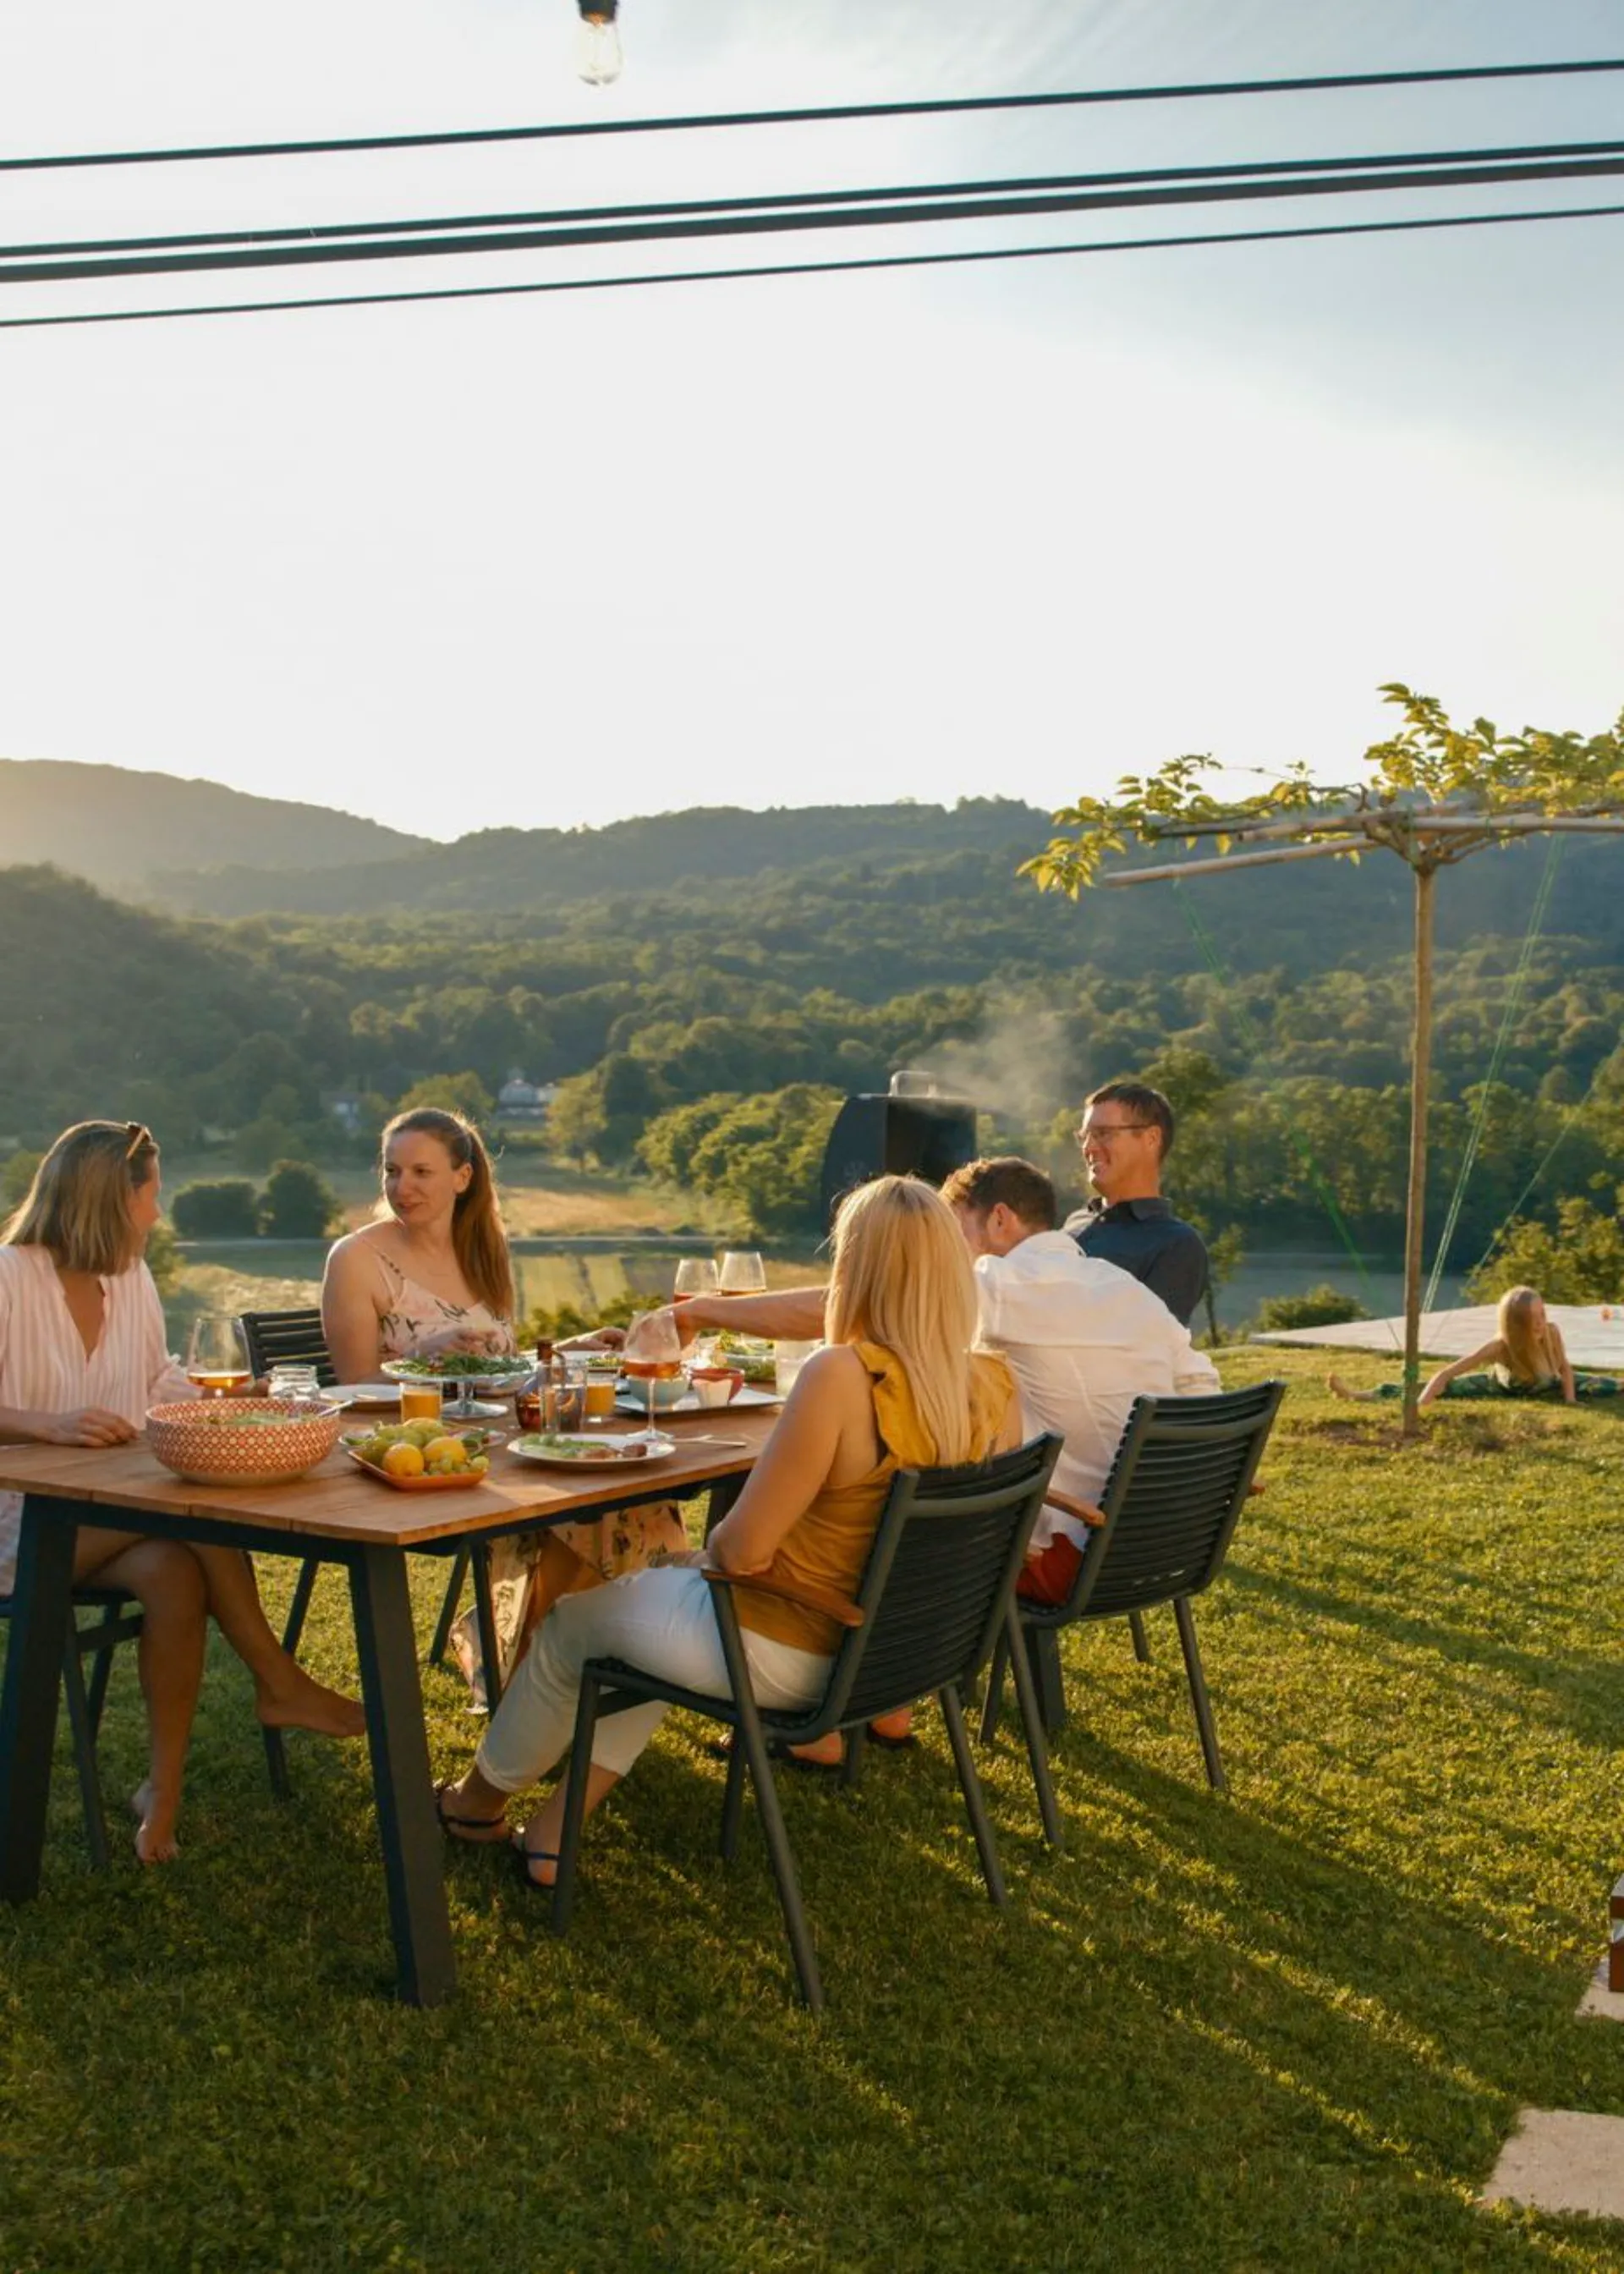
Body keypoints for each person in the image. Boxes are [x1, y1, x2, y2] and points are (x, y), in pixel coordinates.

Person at [431, 1174, 1018, 1886]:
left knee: (576, 1628)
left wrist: (687, 1565)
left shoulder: (842, 1376)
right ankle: (554, 1834)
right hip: (902, 1655)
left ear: (853, 1270)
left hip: (791, 1651)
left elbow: (739, 1552)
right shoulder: (992, 1384)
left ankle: (475, 1802)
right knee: (643, 1619)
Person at [0, 1121, 364, 1866]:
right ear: (108, 1199)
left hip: (107, 1515)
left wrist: (234, 1393)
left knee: (174, 1568)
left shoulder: (128, 1277)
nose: (158, 1215)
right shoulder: (7, 1278)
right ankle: (280, 1681)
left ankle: (159, 1796)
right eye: (151, 1196)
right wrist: (45, 1424)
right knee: (193, 1516)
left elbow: (159, 1383)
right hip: (16, 1524)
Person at [321, 1105, 682, 1698]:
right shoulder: (357, 1258)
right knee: (582, 1511)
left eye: (420, 1172)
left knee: (636, 1496)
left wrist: (570, 1349)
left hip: (512, 1444)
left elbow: (498, 1369)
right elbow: (354, 1388)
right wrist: (427, 1356)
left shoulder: (483, 1251)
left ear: (462, 1177)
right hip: (428, 1459)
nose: (401, 1187)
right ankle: (542, 1677)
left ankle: (571, 1662)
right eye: (391, 1171)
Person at [940, 1156, 1221, 1606]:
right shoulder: (1125, 1286)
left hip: (1072, 1559)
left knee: (896, 1546)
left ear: (998, 1219)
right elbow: (1201, 1384)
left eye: (954, 1232)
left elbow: (898, 1306)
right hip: (1167, 1550)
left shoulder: (999, 1280)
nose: (950, 1251)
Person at [1062, 1080, 1210, 1328]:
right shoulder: (1074, 1223)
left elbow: (1147, 1348)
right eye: (1085, 1136)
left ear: (1151, 1138)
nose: (1089, 1147)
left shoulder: (1176, 1244)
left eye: (1104, 1133)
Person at [1328, 1286, 1621, 1408]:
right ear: (1516, 1325)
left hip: (1549, 1385)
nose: (1541, 1323)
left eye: (1542, 1315)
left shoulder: (1552, 1333)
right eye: (1533, 1319)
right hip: (1501, 1388)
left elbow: (1566, 1369)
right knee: (1428, 1387)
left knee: (1607, 1385)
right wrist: (1425, 1399)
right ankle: (1358, 1395)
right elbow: (1448, 1373)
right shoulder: (1499, 1346)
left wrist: (1569, 1400)